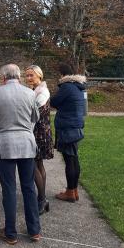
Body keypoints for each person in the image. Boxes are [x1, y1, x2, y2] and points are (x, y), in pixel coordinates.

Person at [0, 64, 41, 245]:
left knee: (9, 189)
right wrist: (26, 133)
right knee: (29, 187)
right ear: (18, 76)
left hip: (5, 143)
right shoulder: (30, 93)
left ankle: (10, 233)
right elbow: (35, 118)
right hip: (26, 143)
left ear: (3, 77)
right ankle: (34, 230)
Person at [50, 62, 86, 203]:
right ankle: (74, 190)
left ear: (62, 74)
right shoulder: (78, 87)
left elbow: (54, 102)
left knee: (69, 160)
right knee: (74, 159)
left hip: (67, 127)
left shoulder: (67, 87)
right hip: (76, 126)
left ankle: (70, 192)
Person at [25, 65, 54, 214]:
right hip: (40, 131)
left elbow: (34, 116)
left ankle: (42, 200)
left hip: (39, 133)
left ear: (39, 76)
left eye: (31, 75)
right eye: (27, 75)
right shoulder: (35, 90)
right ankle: (42, 199)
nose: (28, 78)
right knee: (38, 164)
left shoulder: (42, 92)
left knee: (34, 165)